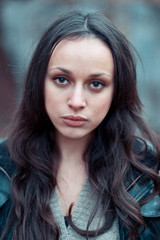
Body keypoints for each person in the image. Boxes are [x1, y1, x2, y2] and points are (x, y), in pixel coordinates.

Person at [0, 10, 160, 240]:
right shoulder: (3, 168)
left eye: (96, 83)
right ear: (39, 82)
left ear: (116, 91)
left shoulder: (147, 174)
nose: (76, 102)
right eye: (61, 80)